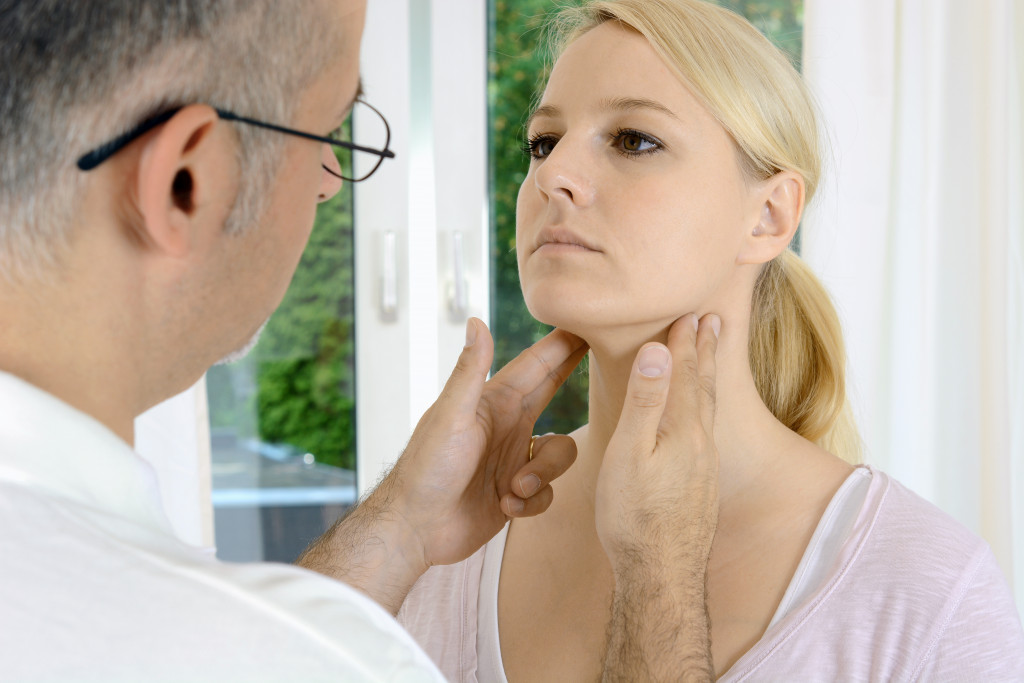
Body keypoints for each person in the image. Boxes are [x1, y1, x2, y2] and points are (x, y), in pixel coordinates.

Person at [0, 0, 718, 680]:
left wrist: (401, 524)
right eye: (326, 134)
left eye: (635, 140)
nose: (330, 182)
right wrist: (660, 574)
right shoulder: (251, 648)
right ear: (187, 181)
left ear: (775, 211)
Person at [397, 0, 1024, 680]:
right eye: (544, 142)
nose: (550, 176)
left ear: (768, 215)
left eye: (633, 139)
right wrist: (397, 529)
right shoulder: (451, 531)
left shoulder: (929, 593)